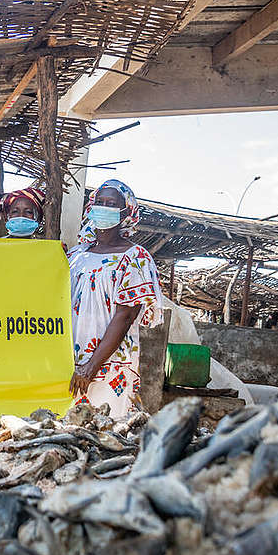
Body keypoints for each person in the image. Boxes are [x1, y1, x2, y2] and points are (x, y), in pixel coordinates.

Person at [67, 179, 163, 417]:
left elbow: (126, 316)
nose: (103, 207)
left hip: (108, 366)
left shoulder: (135, 258)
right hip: (67, 360)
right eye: (99, 202)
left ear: (125, 212)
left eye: (111, 204)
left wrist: (90, 367)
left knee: (106, 430)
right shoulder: (77, 255)